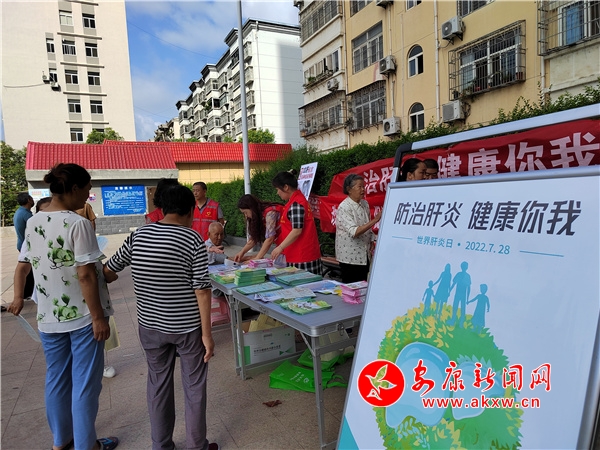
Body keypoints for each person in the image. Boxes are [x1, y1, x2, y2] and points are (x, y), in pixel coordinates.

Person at [8, 163, 118, 450]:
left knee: (56, 380)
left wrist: (18, 297)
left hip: (48, 317)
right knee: (85, 384)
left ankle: (62, 441)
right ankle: (86, 445)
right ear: (73, 188)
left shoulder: (34, 222)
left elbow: (23, 266)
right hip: (82, 317)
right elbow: (85, 275)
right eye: (87, 190)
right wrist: (98, 318)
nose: (88, 195)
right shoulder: (77, 223)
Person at [104, 184, 218, 450]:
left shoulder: (138, 235)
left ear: (163, 209)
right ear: (190, 211)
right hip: (187, 328)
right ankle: (196, 446)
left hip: (150, 326)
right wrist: (207, 335)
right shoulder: (192, 239)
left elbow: (109, 271)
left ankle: (161, 445)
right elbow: (202, 290)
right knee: (194, 386)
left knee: (157, 383)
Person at [270, 171, 323, 275]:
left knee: (304, 284)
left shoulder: (296, 204)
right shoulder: (297, 201)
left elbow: (297, 230)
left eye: (277, 189)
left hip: (301, 256)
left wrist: (280, 247)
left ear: (286, 187)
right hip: (300, 254)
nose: (277, 193)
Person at [334, 174, 381, 283]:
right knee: (352, 287)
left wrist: (372, 239)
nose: (363, 189)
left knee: (363, 285)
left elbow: (366, 226)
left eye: (363, 186)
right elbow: (354, 231)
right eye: (359, 187)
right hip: (350, 257)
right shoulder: (344, 207)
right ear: (349, 189)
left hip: (364, 254)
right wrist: (375, 220)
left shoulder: (365, 204)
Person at [234, 194, 284, 262]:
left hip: (289, 242)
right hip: (283, 243)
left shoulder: (270, 213)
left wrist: (257, 258)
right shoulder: (259, 215)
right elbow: (253, 239)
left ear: (252, 208)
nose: (246, 216)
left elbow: (270, 238)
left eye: (245, 212)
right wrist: (242, 252)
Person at [14, 192, 35, 299]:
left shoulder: (20, 211)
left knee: (28, 271)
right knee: (28, 271)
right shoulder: (26, 214)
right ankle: (27, 293)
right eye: (31, 198)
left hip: (22, 243)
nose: (33, 200)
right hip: (26, 246)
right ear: (28, 200)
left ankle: (27, 293)